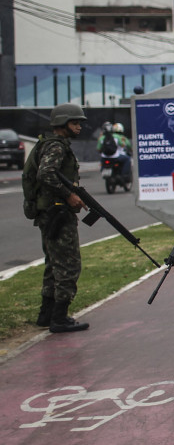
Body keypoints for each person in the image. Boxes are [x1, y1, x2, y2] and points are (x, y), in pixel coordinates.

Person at [32, 104, 90, 333]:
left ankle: (46, 315)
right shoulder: (56, 146)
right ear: (63, 123)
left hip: (51, 213)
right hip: (57, 212)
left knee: (53, 265)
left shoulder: (52, 144)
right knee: (68, 264)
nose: (78, 127)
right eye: (75, 123)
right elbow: (45, 173)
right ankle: (59, 318)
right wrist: (69, 196)